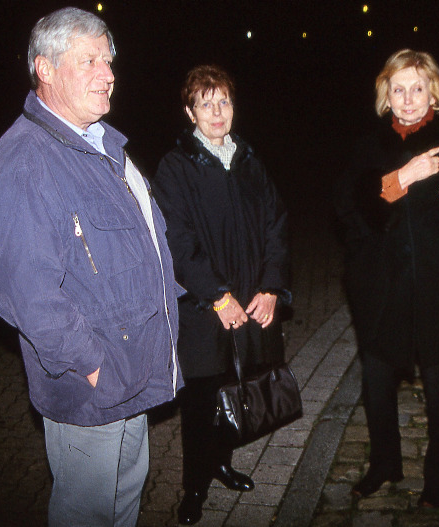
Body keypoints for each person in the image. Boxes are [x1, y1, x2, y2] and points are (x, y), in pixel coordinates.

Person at [0, 7, 184, 526]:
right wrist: (92, 365)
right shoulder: (27, 158)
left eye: (109, 59)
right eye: (89, 59)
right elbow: (22, 289)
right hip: (92, 384)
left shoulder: (102, 145)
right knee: (86, 514)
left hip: (131, 370)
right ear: (44, 69)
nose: (108, 73)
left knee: (123, 503)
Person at [334, 49, 439, 508]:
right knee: (377, 384)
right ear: (385, 96)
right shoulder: (369, 146)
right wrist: (401, 177)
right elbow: (346, 211)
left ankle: (438, 477)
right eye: (398, 89)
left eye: (418, 88)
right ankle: (384, 463)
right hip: (381, 291)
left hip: (438, 291)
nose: (408, 99)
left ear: (435, 94)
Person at [152, 65, 291, 525]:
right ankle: (194, 486)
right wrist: (217, 296)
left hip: (251, 303)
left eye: (224, 102)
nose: (217, 112)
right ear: (189, 111)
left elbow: (276, 227)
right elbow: (178, 242)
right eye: (206, 103)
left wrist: (271, 287)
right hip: (204, 309)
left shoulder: (249, 160)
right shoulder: (176, 167)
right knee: (200, 404)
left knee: (238, 387)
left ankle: (223, 463)